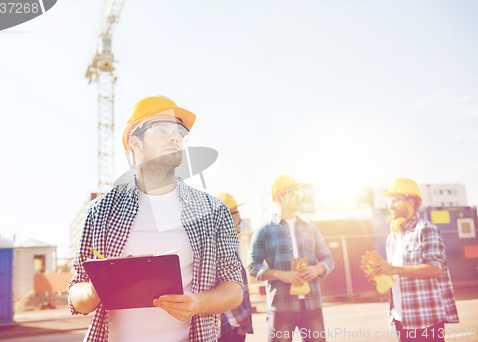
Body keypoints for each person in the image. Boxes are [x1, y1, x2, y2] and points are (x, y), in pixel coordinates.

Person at [68, 95, 243, 342]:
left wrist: (197, 303)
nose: (175, 137)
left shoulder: (213, 211)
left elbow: (234, 289)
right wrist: (97, 288)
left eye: (179, 131)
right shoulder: (100, 211)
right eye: (162, 129)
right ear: (135, 142)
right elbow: (77, 294)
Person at [370, 178, 459, 341]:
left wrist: (395, 269)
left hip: (426, 319)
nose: (390, 205)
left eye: (395, 200)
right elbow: (395, 275)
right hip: (401, 318)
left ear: (410, 202)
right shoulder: (392, 237)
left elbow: (435, 269)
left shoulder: (426, 229)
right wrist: (380, 274)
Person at [247, 175, 334, 342]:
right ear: (278, 197)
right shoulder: (264, 231)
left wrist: (317, 269)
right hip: (281, 307)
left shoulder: (311, 229)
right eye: (293, 193)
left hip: (312, 305)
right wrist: (281, 275)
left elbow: (329, 259)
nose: (299, 197)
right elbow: (252, 265)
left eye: (299, 192)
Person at [215, 193, 253, 342]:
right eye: (236, 213)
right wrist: (241, 321)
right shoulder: (221, 248)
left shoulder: (227, 245)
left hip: (230, 328)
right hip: (229, 329)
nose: (241, 219)